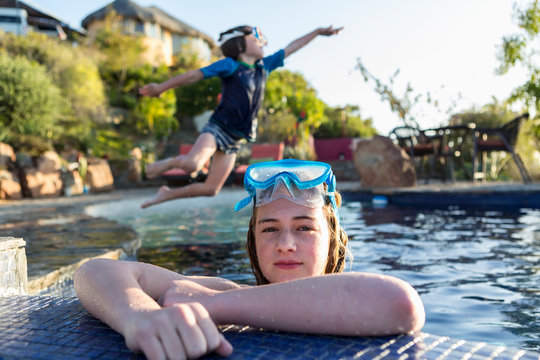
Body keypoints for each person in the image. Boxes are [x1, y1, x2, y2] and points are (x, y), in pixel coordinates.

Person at [74, 159, 425, 360]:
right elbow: (96, 270)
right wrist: (139, 318)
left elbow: (402, 304)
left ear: (332, 239)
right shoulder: (227, 291)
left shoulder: (220, 300)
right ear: (253, 242)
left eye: (304, 228)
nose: (286, 244)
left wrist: (215, 305)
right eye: (269, 230)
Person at [138, 25, 342, 209]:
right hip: (217, 128)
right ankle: (168, 163)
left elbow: (292, 47)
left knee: (211, 189)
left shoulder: (264, 66)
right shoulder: (230, 65)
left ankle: (166, 194)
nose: (262, 44)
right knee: (193, 165)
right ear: (240, 44)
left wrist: (316, 32)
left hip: (234, 138)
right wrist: (161, 87)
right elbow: (193, 75)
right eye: (256, 40)